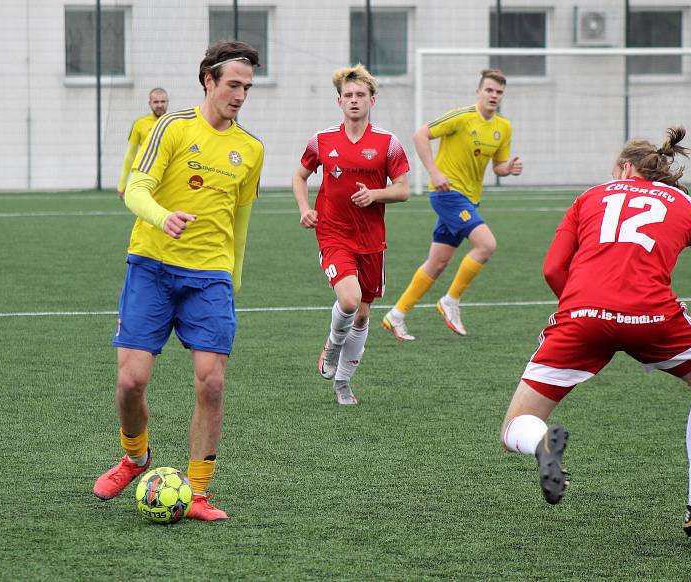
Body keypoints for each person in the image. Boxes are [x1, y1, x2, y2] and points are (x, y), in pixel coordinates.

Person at [500, 127, 691, 539]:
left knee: (516, 424)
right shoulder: (685, 203)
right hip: (656, 320)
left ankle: (542, 442)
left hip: (581, 316)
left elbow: (552, 269)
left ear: (623, 167)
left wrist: (585, 313)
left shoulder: (590, 196)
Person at [93, 40, 264, 521]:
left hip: (210, 277)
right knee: (131, 381)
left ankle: (199, 492)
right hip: (151, 265)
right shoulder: (171, 127)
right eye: (233, 85)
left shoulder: (250, 150)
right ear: (208, 81)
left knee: (211, 383)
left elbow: (241, 224)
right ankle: (135, 459)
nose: (240, 95)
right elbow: (136, 188)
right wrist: (162, 216)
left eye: (247, 88)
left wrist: (234, 282)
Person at [292, 64, 410, 405]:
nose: (354, 100)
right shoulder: (322, 140)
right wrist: (305, 209)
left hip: (372, 239)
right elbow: (299, 177)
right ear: (339, 101)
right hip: (333, 233)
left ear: (372, 100)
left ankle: (343, 381)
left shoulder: (388, 144)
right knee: (348, 300)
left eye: (360, 95)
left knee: (362, 313)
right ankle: (332, 346)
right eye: (348, 95)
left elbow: (403, 190)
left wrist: (375, 194)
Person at [382, 69, 522, 340]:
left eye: (499, 92)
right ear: (478, 92)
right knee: (486, 245)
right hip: (447, 194)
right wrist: (434, 172)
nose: (494, 95)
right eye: (489, 90)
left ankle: (396, 315)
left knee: (437, 262)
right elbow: (420, 134)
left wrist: (509, 168)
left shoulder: (503, 128)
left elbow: (498, 167)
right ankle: (451, 301)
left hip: (470, 199)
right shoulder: (461, 117)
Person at [117, 87, 170, 198]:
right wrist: (122, 184)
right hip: (148, 175)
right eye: (156, 102)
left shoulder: (175, 122)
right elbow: (130, 155)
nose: (159, 105)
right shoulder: (139, 124)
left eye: (163, 101)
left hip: (170, 177)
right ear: (149, 103)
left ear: (167, 102)